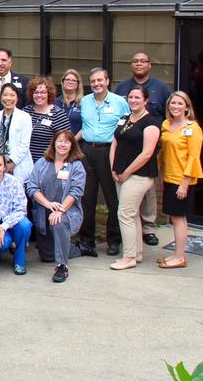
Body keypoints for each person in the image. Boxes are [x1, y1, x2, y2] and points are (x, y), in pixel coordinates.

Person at [114, 51, 171, 246]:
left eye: (143, 61)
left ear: (149, 65)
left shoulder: (161, 89)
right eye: (135, 61)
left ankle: (148, 228)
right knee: (129, 204)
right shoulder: (122, 87)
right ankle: (134, 236)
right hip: (126, 150)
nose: (139, 64)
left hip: (147, 152)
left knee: (146, 194)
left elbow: (169, 116)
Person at [77, 68, 130, 257]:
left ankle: (114, 240)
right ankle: (86, 241)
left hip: (109, 151)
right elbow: (85, 127)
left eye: (100, 80)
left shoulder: (120, 102)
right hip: (87, 151)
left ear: (107, 81)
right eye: (93, 81)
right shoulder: (84, 101)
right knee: (86, 198)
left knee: (112, 199)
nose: (96, 84)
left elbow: (126, 127)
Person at [109, 86, 161, 270]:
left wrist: (127, 172)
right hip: (121, 174)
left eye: (137, 97)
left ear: (145, 100)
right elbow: (115, 142)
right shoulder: (125, 119)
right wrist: (114, 168)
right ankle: (137, 253)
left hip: (139, 175)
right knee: (132, 214)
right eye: (130, 97)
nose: (133, 100)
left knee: (125, 214)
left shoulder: (151, 123)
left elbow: (147, 154)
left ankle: (128, 257)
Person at [26, 131, 86, 283]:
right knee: (46, 257)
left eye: (66, 142)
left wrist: (59, 210)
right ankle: (78, 249)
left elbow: (76, 191)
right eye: (59, 141)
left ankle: (62, 267)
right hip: (43, 211)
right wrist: (48, 204)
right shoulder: (42, 163)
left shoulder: (76, 166)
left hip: (66, 211)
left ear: (72, 145)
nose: (62, 144)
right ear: (53, 143)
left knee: (59, 222)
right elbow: (32, 188)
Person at [157, 92, 203, 268]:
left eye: (179, 103)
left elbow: (193, 158)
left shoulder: (193, 128)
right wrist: (161, 175)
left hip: (182, 180)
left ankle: (179, 256)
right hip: (168, 177)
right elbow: (163, 153)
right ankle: (176, 254)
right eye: (172, 103)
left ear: (187, 107)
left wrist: (184, 184)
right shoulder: (166, 125)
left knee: (178, 218)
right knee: (174, 217)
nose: (175, 106)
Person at [0, 83, 33, 183]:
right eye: (5, 95)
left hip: (18, 165)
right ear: (0, 97)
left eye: (12, 95)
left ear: (17, 98)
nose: (8, 98)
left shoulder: (25, 117)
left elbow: (24, 144)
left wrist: (12, 162)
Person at [23, 76, 71, 163]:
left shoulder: (58, 114)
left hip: (47, 163)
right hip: (24, 164)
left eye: (43, 92)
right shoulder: (25, 111)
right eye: (36, 92)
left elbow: (66, 142)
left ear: (49, 94)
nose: (39, 95)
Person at [55, 69, 84, 136]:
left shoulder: (84, 102)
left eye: (74, 80)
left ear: (78, 84)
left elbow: (87, 126)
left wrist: (73, 141)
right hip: (58, 144)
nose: (70, 82)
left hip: (77, 143)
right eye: (67, 79)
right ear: (63, 82)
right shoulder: (55, 102)